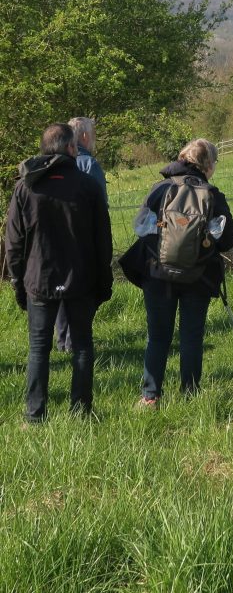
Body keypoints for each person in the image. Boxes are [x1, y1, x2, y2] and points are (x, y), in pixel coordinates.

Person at [4, 123, 113, 422]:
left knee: (39, 350)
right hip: (81, 279)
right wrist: (104, 281)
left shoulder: (26, 186)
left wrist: (17, 280)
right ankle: (81, 412)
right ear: (70, 148)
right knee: (82, 346)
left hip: (38, 278)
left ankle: (34, 415)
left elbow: (13, 241)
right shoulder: (88, 185)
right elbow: (104, 239)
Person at [138, 138, 233, 406]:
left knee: (158, 336)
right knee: (191, 336)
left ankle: (150, 396)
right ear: (207, 164)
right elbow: (229, 238)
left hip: (159, 275)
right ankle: (190, 394)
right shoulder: (212, 195)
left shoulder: (159, 189)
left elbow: (142, 229)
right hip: (199, 276)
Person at [55, 116, 109, 352]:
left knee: (60, 286)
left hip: (56, 236)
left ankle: (61, 339)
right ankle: (73, 342)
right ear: (84, 137)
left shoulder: (53, 164)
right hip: (82, 236)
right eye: (93, 134)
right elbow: (100, 205)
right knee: (79, 289)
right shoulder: (90, 165)